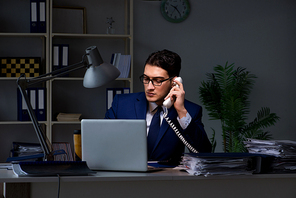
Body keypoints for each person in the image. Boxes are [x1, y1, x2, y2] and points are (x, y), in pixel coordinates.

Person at [105, 49, 211, 163]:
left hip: (167, 178)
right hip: (126, 175)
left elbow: (204, 152)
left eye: (158, 81)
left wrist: (181, 111)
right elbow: (103, 141)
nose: (149, 87)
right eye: (146, 79)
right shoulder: (121, 103)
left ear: (174, 82)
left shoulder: (190, 111)